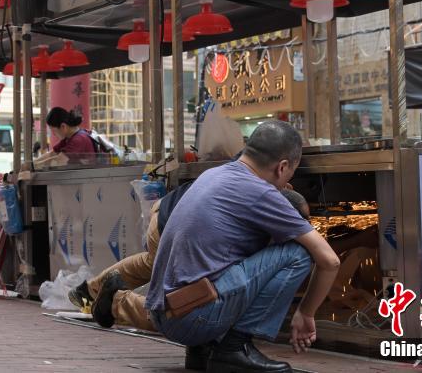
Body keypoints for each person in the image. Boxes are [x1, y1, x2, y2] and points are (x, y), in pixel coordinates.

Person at [138, 120, 340, 373]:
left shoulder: (214, 174)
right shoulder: (260, 192)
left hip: (164, 314)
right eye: (291, 174)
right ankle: (234, 348)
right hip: (192, 318)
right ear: (283, 167)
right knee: (297, 253)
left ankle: (204, 349)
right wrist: (306, 312)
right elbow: (330, 260)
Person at [76, 182, 309, 371]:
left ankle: (99, 289)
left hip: (170, 214)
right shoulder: (252, 212)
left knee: (160, 269)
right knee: (194, 306)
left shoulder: (255, 181)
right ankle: (117, 301)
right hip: (173, 224)